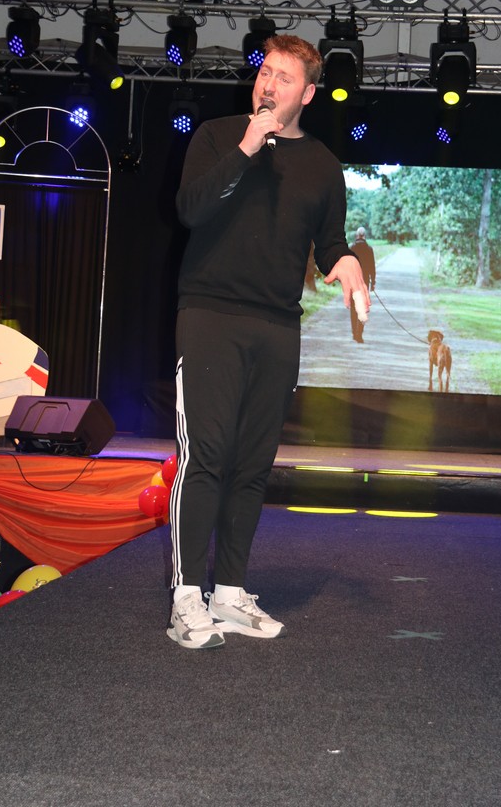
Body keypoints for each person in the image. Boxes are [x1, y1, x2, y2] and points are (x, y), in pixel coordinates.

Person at [167, 33, 370, 649]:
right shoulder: (217, 136)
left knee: (252, 464)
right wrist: (248, 147)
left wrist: (347, 261)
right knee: (206, 456)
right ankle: (186, 598)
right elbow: (190, 209)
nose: (269, 83)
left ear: (307, 94)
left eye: (285, 77)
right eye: (265, 71)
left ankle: (228, 593)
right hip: (211, 315)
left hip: (279, 326)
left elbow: (329, 243)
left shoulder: (324, 166)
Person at [349, 227, 375, 343]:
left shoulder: (351, 248)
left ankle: (354, 332)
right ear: (364, 236)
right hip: (364, 282)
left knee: (354, 308)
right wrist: (373, 282)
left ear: (357, 235)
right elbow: (372, 267)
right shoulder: (369, 249)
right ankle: (359, 334)